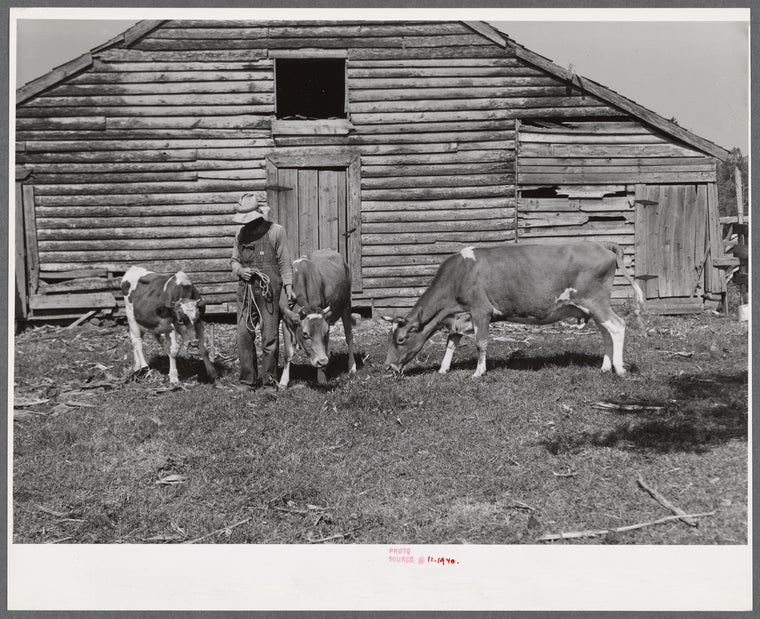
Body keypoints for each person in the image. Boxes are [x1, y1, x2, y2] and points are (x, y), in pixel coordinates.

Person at [231, 193, 295, 389]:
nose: (248, 224)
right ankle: (247, 380)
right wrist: (241, 270)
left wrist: (289, 288)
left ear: (259, 214)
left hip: (269, 291)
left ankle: (269, 381)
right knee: (244, 335)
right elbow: (234, 261)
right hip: (246, 291)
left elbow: (285, 263)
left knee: (270, 338)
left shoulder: (276, 231)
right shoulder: (240, 235)